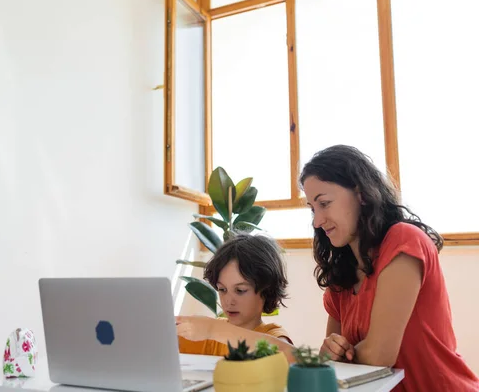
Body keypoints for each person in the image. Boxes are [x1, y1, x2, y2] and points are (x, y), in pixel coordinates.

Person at [300, 144, 479, 391]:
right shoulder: (340, 279)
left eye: (325, 203)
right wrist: (330, 351)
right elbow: (337, 363)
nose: (317, 221)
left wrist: (347, 355)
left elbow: (380, 355)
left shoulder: (404, 240)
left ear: (361, 194)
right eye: (312, 208)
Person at [176, 232, 295, 360]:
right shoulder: (208, 337)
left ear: (266, 291)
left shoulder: (272, 334)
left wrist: (212, 330)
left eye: (240, 290)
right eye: (222, 289)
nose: (228, 301)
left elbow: (293, 358)